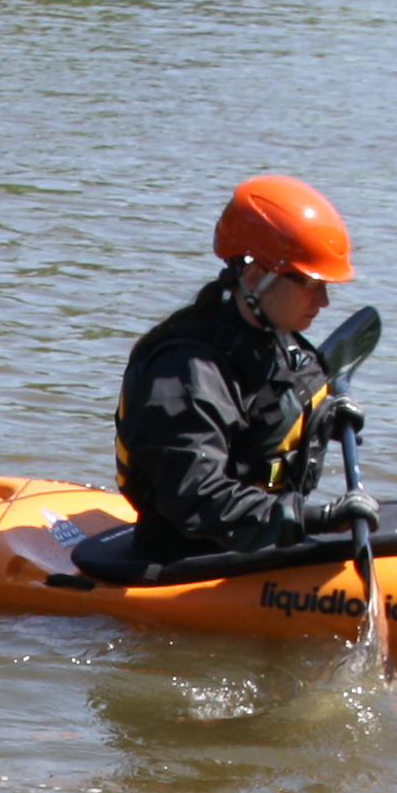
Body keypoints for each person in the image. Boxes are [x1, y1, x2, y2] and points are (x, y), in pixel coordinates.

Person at [111, 172, 376, 566]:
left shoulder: (275, 339)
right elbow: (196, 497)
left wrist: (322, 418)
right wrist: (317, 519)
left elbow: (260, 419)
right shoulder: (186, 371)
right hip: (186, 556)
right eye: (309, 283)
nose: (323, 301)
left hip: (252, 542)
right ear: (256, 278)